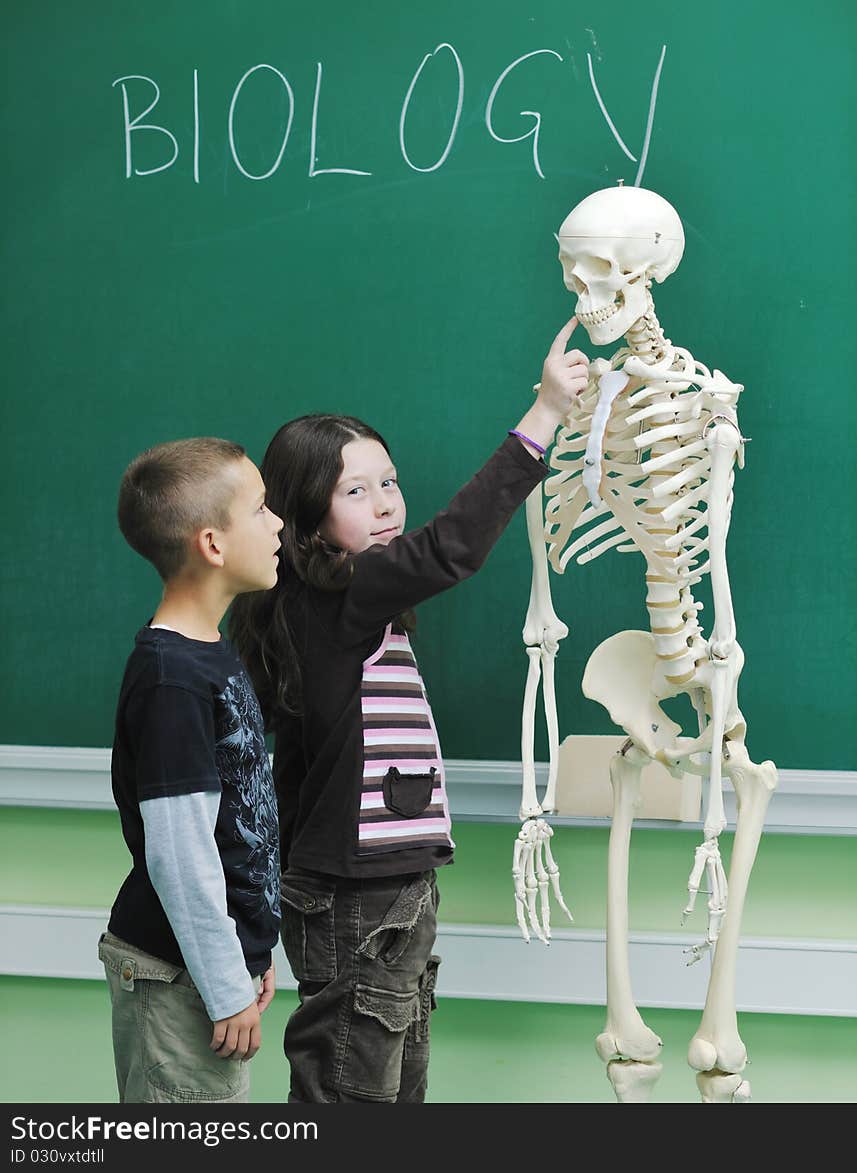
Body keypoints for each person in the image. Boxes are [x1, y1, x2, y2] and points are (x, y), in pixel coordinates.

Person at [228, 317, 590, 1103]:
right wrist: (547, 415)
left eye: (389, 481)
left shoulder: (339, 607)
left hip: (387, 883)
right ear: (304, 518)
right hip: (357, 893)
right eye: (355, 491)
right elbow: (452, 547)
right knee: (352, 1096)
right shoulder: (343, 599)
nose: (386, 502)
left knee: (390, 1087)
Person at [99, 436, 285, 1103]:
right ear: (212, 543)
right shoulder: (173, 677)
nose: (279, 524)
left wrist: (247, 957)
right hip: (177, 979)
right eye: (262, 509)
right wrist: (226, 982)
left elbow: (239, 820)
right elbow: (181, 854)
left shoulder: (209, 653)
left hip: (204, 970)